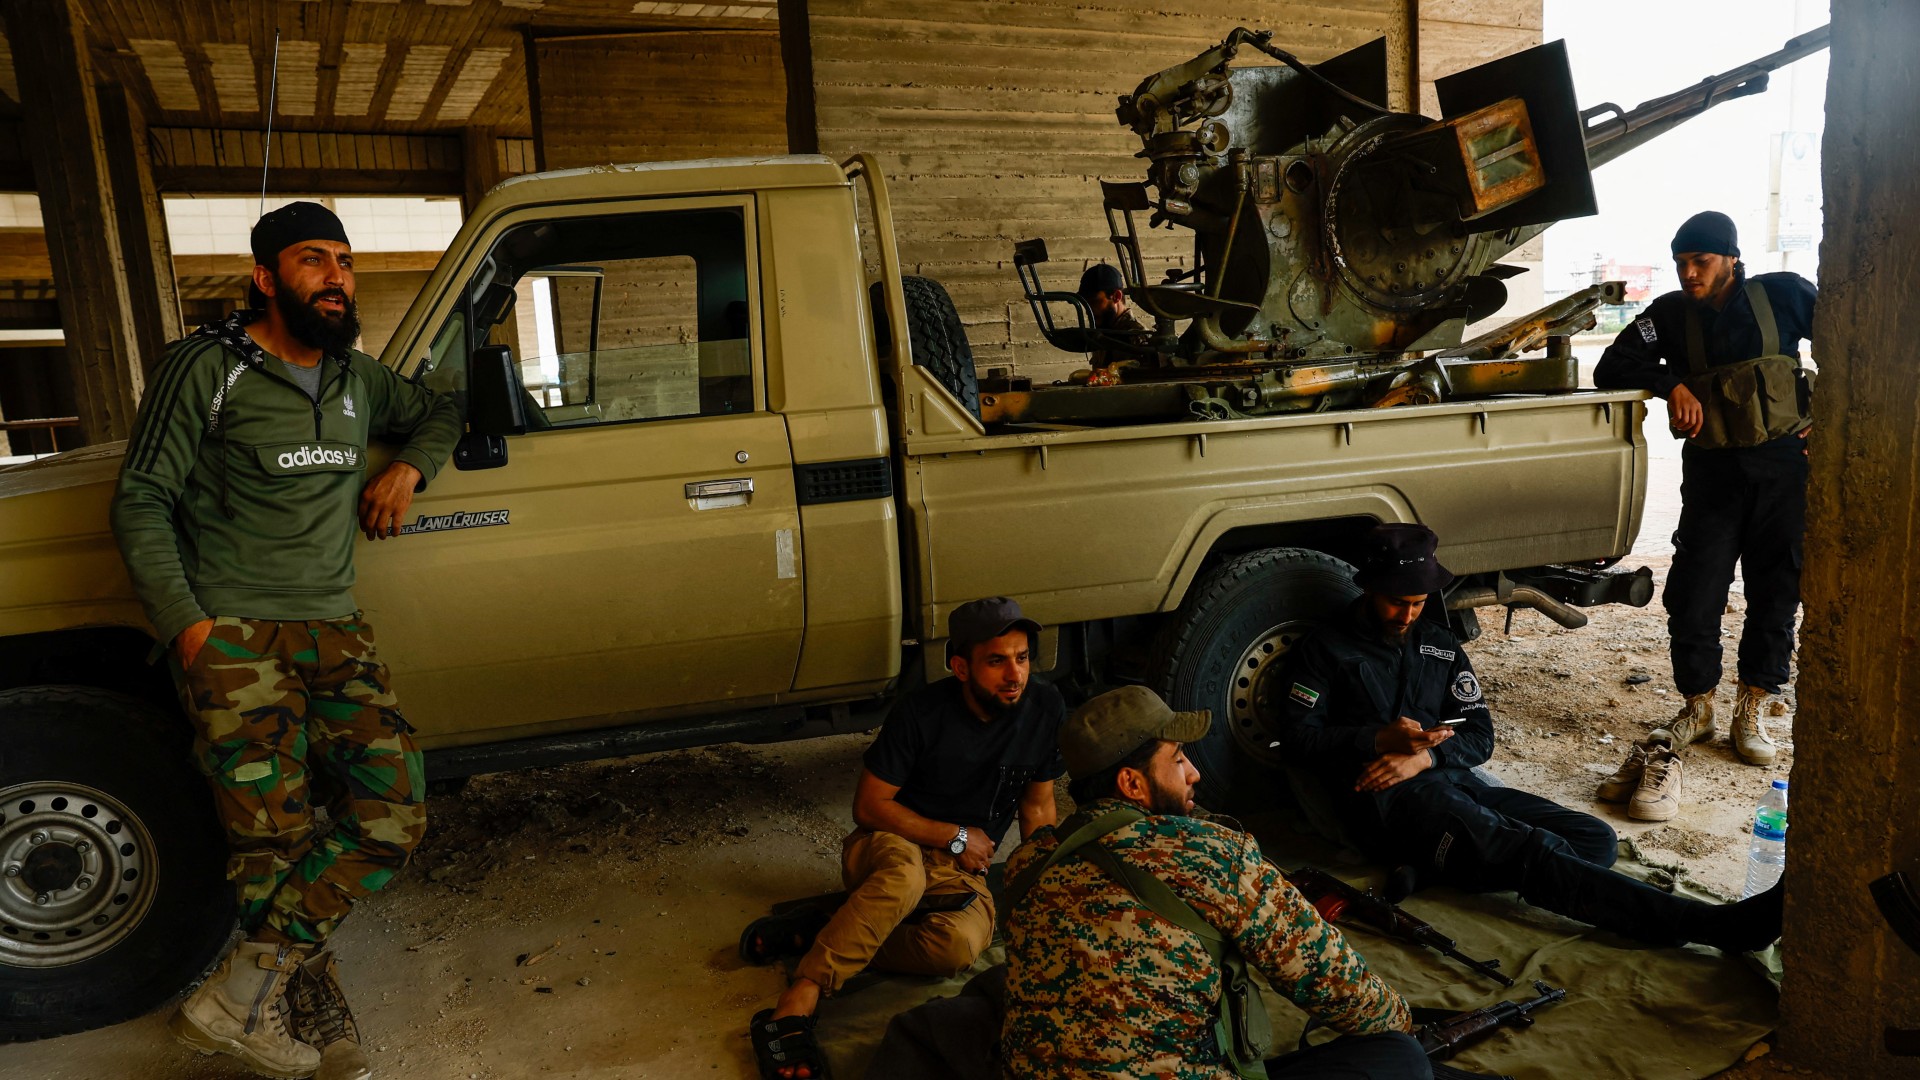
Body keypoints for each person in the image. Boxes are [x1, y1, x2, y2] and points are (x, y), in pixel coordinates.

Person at [111, 201, 461, 1080]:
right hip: (236, 636)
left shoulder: (356, 377)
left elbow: (440, 412)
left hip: (334, 626)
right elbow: (142, 497)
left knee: (392, 813)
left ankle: (238, 992)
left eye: (345, 261)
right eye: (315, 260)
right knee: (271, 837)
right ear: (265, 277)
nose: (337, 278)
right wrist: (190, 629)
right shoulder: (207, 368)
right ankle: (295, 1003)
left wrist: (408, 468)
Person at [1275, 523, 1784, 956]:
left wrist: (1428, 758)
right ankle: (1711, 927)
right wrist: (1375, 739)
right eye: (1396, 603)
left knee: (1595, 840)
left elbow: (1480, 736)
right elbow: (1295, 740)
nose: (1408, 615)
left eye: (1418, 602)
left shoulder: (1438, 643)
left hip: (1450, 780)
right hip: (1386, 805)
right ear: (1369, 589)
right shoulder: (1327, 648)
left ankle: (1443, 865)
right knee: (1533, 851)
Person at [1001, 685, 1430, 1079]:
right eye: (1177, 758)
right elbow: (1332, 981)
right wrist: (1404, 1025)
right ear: (1132, 783)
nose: (1193, 773)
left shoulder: (1028, 862)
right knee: (1399, 1057)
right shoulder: (1211, 853)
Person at [745, 597, 1066, 1080]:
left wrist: (1047, 888)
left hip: (959, 870)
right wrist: (955, 835)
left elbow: (1038, 807)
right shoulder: (921, 712)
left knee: (958, 947)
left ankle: (825, 930)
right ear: (961, 667)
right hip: (890, 843)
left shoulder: (1044, 707)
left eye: (1022, 658)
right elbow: (870, 806)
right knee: (903, 878)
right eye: (997, 661)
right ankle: (801, 995)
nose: (1015, 674)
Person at [1593, 211, 1816, 795]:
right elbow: (1611, 365)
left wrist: (1830, 420)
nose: (1689, 273)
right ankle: (1698, 706)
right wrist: (1673, 384)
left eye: (1702, 262)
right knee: (1694, 593)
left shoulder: (1784, 295)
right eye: (1682, 263)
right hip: (1712, 476)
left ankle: (1754, 706)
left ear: (1731, 259)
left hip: (1783, 471)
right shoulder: (1669, 314)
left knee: (1776, 590)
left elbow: (1853, 346)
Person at [1077, 263, 1149, 371]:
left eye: (1094, 301)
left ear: (1116, 296)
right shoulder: (1103, 332)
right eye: (1086, 303)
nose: (1089, 310)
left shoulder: (1137, 338)